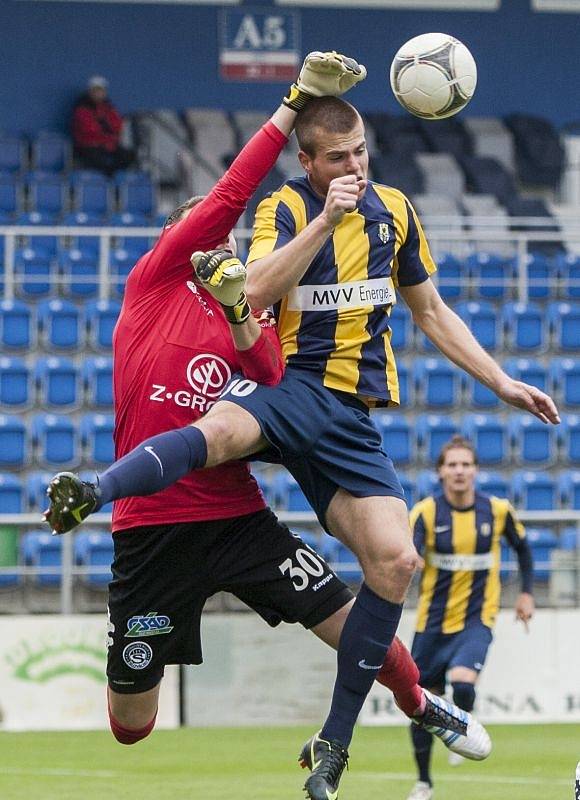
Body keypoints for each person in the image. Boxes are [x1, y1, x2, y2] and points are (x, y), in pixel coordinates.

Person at [42, 95, 557, 799]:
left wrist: (247, 324)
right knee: (130, 725)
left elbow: (271, 382)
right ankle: (98, 493)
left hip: (236, 519)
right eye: (205, 233)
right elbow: (232, 200)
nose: (217, 242)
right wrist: (290, 125)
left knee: (369, 601)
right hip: (153, 533)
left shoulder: (246, 307)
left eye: (360, 153)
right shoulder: (152, 288)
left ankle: (416, 704)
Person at [405, 435, 534, 800]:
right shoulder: (426, 513)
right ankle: (424, 782)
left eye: (465, 464)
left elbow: (523, 550)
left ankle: (461, 730)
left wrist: (525, 593)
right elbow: (409, 555)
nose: (459, 471)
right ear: (441, 472)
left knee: (462, 682)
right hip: (431, 623)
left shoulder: (497, 510)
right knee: (421, 703)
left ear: (475, 470)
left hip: (478, 619)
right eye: (452, 465)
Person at [71, 75, 135, 175]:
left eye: (101, 90)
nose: (98, 93)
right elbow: (90, 130)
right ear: (90, 92)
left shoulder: (108, 107)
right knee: (98, 160)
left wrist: (108, 138)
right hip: (88, 145)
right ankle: (105, 183)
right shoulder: (82, 108)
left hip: (108, 143)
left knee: (128, 155)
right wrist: (106, 136)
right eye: (95, 91)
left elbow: (117, 125)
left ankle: (115, 180)